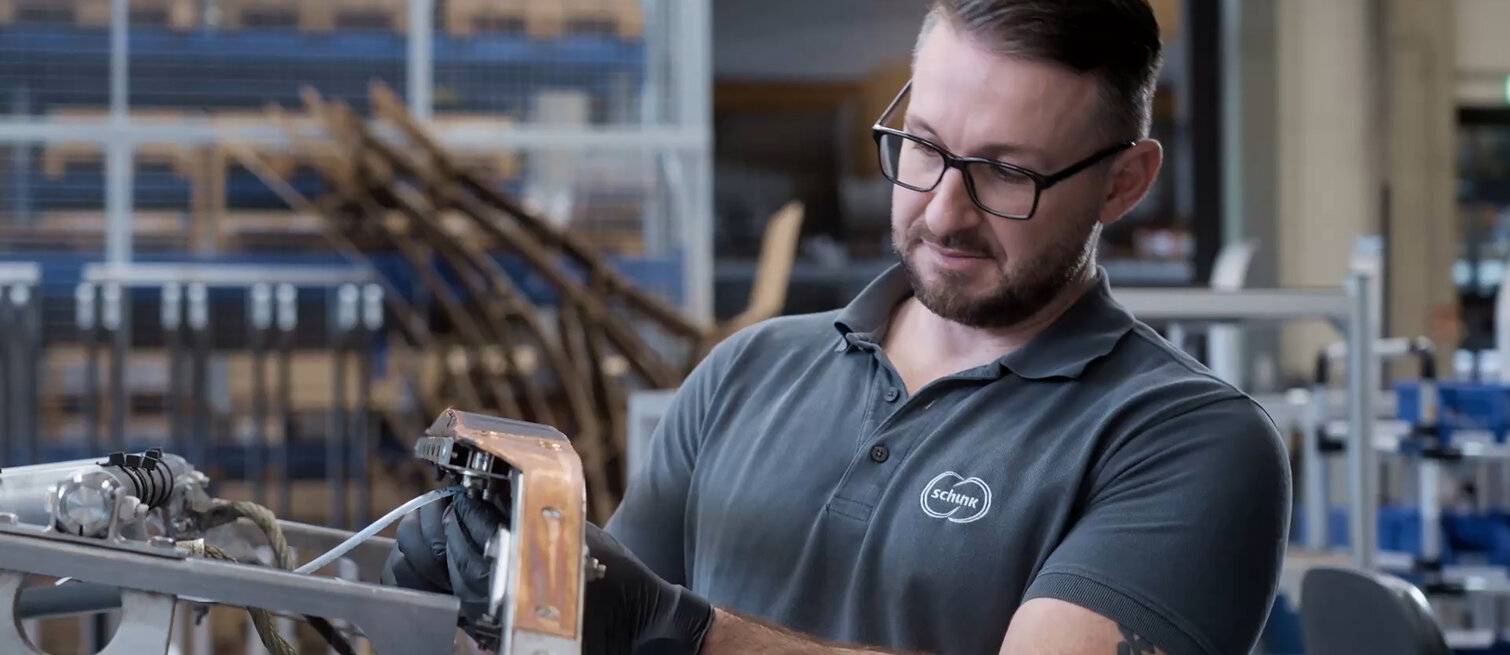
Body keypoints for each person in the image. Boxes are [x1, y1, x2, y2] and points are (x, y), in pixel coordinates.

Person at [383, 1, 1293, 654]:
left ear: (1124, 182)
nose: (942, 212)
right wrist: (472, 612)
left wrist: (681, 629)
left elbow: (645, 624)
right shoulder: (749, 371)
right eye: (925, 146)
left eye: (1007, 173)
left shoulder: (1189, 443)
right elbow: (587, 640)